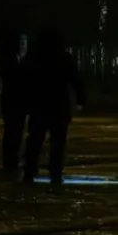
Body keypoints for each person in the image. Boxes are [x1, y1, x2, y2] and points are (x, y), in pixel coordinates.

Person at [23, 30, 85, 185]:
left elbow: (23, 80)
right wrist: (81, 100)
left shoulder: (34, 58)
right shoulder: (64, 58)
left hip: (39, 105)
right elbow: (76, 80)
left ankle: (30, 171)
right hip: (58, 105)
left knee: (35, 140)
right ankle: (55, 172)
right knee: (58, 142)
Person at [0, 30, 28, 176]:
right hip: (14, 98)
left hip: (9, 97)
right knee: (14, 130)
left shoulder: (5, 56)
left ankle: (10, 160)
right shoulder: (11, 58)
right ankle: (11, 160)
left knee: (11, 130)